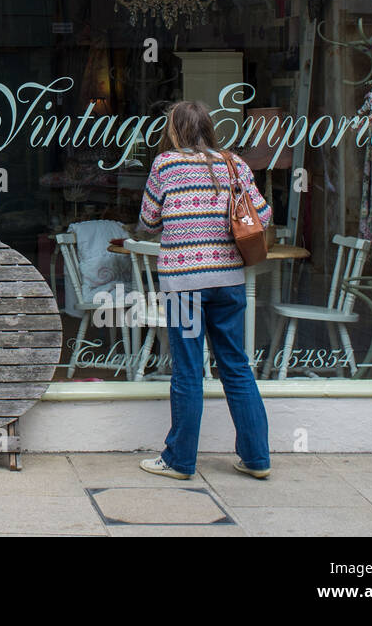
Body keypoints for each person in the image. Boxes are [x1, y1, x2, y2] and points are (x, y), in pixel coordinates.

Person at [135, 100, 273, 481]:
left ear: (175, 130)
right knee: (236, 366)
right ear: (208, 128)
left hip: (186, 287)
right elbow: (261, 215)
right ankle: (257, 457)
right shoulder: (235, 164)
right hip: (228, 282)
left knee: (188, 371)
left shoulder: (165, 165)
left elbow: (148, 221)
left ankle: (180, 460)